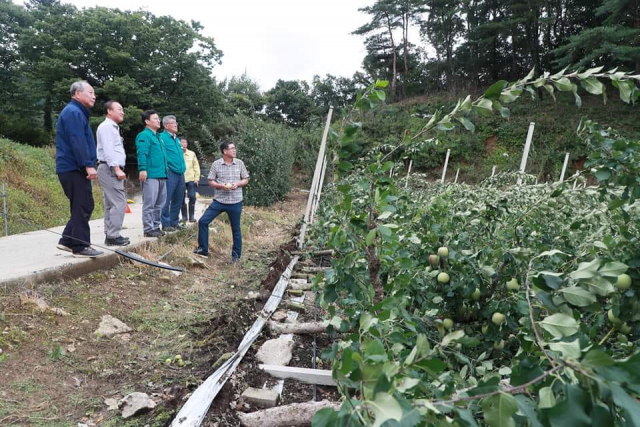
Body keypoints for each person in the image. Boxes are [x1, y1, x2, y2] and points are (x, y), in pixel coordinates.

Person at [55, 81, 103, 258]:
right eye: (90, 92)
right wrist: (88, 165)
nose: (94, 96)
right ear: (77, 93)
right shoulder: (73, 112)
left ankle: (67, 240)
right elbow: (78, 141)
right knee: (83, 204)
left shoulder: (77, 112)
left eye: (94, 93)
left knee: (82, 204)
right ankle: (81, 246)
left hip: (73, 167)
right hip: (73, 167)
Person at [194, 140, 249, 261]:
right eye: (232, 148)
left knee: (236, 229)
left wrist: (238, 183)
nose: (234, 150)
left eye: (235, 148)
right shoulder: (216, 164)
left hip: (235, 201)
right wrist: (221, 186)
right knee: (203, 221)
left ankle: (236, 256)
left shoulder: (239, 163)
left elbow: (246, 179)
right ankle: (203, 249)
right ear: (225, 151)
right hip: (219, 201)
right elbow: (210, 181)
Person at [96, 100, 129, 246]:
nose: (122, 112)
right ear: (109, 111)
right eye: (119, 109)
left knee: (110, 203)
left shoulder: (112, 127)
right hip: (110, 169)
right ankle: (113, 235)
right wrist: (116, 168)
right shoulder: (107, 127)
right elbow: (108, 150)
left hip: (109, 168)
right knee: (119, 202)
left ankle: (110, 234)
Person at [136, 110, 168, 238]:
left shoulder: (158, 137)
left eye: (158, 118)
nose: (158, 120)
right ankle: (148, 228)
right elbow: (142, 153)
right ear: (147, 121)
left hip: (162, 174)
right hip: (151, 174)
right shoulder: (144, 135)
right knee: (150, 203)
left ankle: (155, 226)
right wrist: (142, 169)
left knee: (160, 203)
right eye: (155, 118)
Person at [159, 115, 186, 231]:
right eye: (172, 123)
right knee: (166, 198)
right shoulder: (162, 137)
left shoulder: (177, 140)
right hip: (170, 172)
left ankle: (174, 221)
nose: (176, 124)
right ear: (166, 126)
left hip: (180, 172)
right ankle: (165, 223)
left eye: (176, 122)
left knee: (179, 198)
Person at [180, 138, 200, 223]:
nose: (184, 144)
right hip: (180, 180)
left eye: (185, 142)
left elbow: (196, 166)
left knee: (192, 197)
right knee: (181, 198)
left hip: (191, 179)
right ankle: (184, 217)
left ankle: (191, 217)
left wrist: (197, 178)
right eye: (182, 142)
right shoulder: (177, 153)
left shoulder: (192, 154)